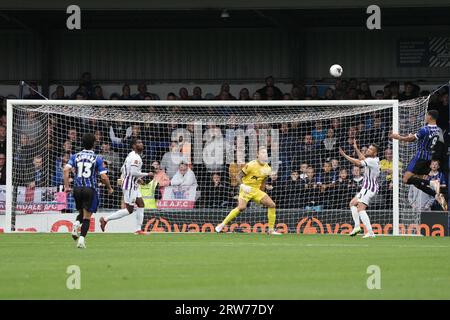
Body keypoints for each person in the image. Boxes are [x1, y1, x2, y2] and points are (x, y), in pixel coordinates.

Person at [215, 147, 281, 235]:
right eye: (262, 152)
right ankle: (222, 225)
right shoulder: (251, 165)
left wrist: (263, 193)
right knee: (242, 207)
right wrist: (243, 186)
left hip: (256, 191)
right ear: (258, 154)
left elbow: (263, 181)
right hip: (246, 189)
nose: (265, 154)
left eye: (266, 153)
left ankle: (271, 230)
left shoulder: (268, 168)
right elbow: (238, 176)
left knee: (272, 205)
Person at [64, 133, 113, 248]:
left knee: (81, 213)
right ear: (94, 144)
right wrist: (109, 188)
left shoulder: (75, 156)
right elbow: (104, 177)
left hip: (77, 189)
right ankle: (81, 240)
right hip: (90, 189)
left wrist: (66, 186)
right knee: (87, 217)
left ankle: (76, 223)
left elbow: (66, 170)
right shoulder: (97, 158)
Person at [390, 110, 447, 210]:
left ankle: (432, 183)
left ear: (430, 117)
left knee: (406, 179)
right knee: (417, 183)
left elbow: (410, 139)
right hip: (429, 158)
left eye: (426, 115)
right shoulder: (439, 130)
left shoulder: (425, 129)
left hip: (420, 157)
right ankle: (436, 195)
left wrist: (398, 137)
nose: (425, 117)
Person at [100, 138, 153, 234]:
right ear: (133, 146)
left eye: (141, 142)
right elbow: (133, 172)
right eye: (138, 143)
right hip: (130, 186)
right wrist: (147, 174)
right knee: (129, 210)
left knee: (141, 204)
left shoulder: (131, 154)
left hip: (133, 184)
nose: (141, 144)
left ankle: (138, 230)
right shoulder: (136, 157)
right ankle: (105, 219)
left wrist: (135, 179)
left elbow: (123, 169)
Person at [339, 140, 380, 238]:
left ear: (375, 153)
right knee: (352, 203)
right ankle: (357, 226)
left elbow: (357, 162)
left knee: (361, 209)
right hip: (367, 188)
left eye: (371, 149)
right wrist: (356, 149)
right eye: (369, 148)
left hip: (369, 188)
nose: (368, 150)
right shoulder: (373, 159)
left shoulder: (372, 161)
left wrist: (344, 155)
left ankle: (370, 233)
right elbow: (362, 158)